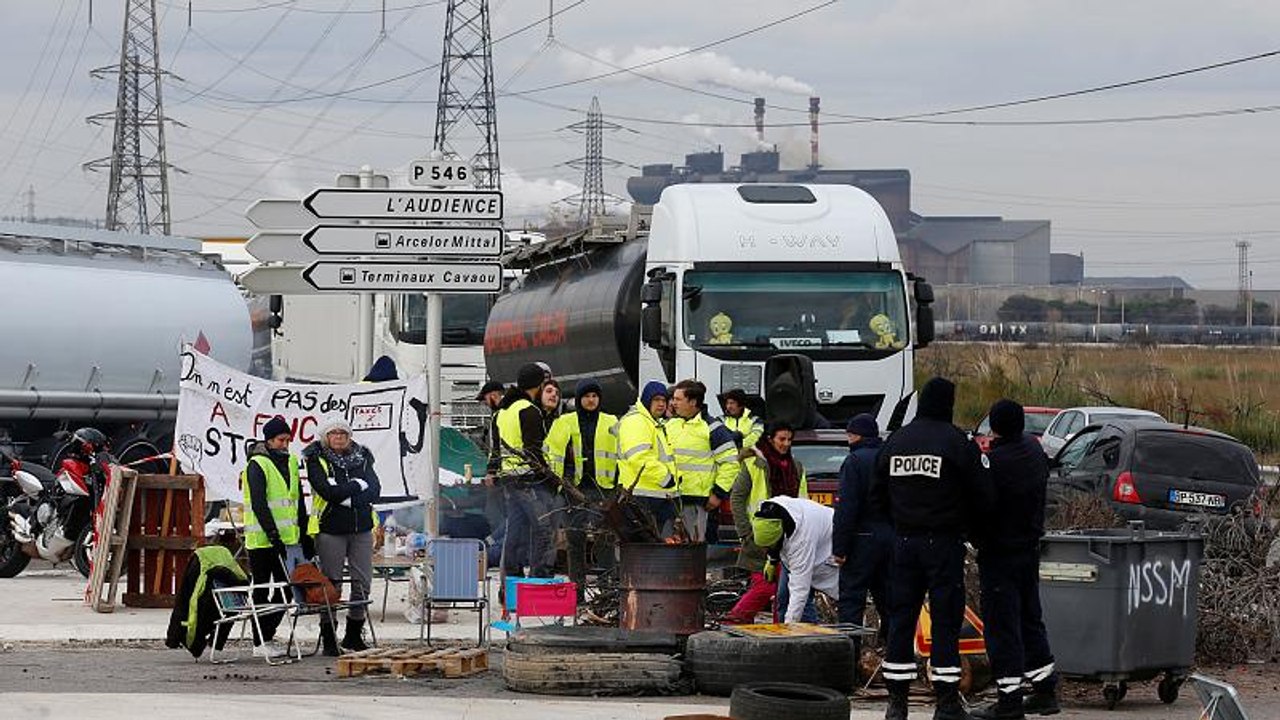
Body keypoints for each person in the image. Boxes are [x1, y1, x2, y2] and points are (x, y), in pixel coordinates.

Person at [871, 377, 993, 720]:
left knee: (900, 620)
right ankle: (947, 703)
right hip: (942, 544)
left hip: (904, 544)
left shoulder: (898, 440)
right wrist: (966, 529)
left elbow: (875, 494)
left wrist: (897, 526)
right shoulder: (957, 443)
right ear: (949, 403)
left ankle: (897, 704)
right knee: (944, 622)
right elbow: (983, 496)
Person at [971, 400, 1058, 720]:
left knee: (1002, 625)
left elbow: (981, 506)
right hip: (1028, 548)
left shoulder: (996, 463)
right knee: (1029, 618)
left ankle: (1008, 699)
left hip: (999, 553)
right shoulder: (1033, 452)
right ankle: (1045, 689)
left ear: (995, 427)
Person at [302, 418, 380, 656]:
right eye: (334, 433)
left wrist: (347, 495)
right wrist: (358, 485)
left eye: (343, 433)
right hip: (331, 529)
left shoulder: (362, 457)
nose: (339, 437)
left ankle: (354, 634)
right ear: (326, 437)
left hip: (361, 528)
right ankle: (328, 636)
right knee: (331, 584)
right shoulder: (316, 459)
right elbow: (327, 492)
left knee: (362, 583)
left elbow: (375, 489)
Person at [724, 422, 808, 624]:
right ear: (770, 440)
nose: (786, 444)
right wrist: (745, 532)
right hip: (760, 536)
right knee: (766, 586)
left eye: (789, 440)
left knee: (784, 589)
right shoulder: (753, 465)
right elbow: (737, 498)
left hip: (788, 537)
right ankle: (734, 619)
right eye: (781, 439)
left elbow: (802, 501)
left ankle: (778, 629)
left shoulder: (796, 466)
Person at [240, 415, 308, 659]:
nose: (285, 444)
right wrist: (273, 535)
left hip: (288, 540)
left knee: (288, 589)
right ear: (269, 440)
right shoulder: (257, 464)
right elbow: (260, 504)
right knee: (260, 589)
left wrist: (304, 532)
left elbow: (297, 500)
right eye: (281, 439)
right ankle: (260, 641)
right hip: (261, 541)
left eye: (288, 440)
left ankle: (267, 632)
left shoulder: (290, 462)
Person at [544, 378, 619, 596]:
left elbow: (622, 453)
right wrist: (562, 482)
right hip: (574, 490)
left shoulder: (611, 421)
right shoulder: (565, 422)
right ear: (579, 399)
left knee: (604, 541)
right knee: (575, 543)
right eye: (586, 396)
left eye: (594, 396)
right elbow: (551, 452)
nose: (591, 400)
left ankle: (608, 593)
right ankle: (577, 594)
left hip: (603, 489)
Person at [833, 413, 892, 651]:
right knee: (889, 599)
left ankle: (850, 656)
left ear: (856, 435)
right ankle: (894, 651)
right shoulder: (888, 458)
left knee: (851, 600)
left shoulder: (854, 462)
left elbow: (847, 508)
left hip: (861, 540)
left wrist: (840, 548)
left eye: (849, 434)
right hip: (890, 537)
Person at [495, 363, 558, 578]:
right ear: (538, 385)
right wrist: (551, 480)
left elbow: (497, 449)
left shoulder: (503, 411)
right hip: (528, 481)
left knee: (515, 532)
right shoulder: (529, 411)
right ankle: (539, 581)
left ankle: (510, 582)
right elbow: (534, 453)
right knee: (545, 531)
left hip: (509, 478)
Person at [667, 379, 739, 542]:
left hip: (699, 502)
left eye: (678, 399)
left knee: (694, 552)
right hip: (671, 499)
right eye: (673, 399)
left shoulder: (713, 429)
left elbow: (731, 463)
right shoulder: (671, 425)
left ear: (692, 402)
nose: (673, 403)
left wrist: (718, 494)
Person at [752, 496, 839, 624]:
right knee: (784, 599)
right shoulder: (769, 512)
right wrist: (772, 559)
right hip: (797, 553)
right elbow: (774, 542)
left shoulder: (802, 539)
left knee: (798, 604)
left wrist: (789, 628)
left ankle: (809, 639)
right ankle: (788, 636)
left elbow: (800, 590)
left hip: (826, 551)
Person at [615, 381, 678, 537]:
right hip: (642, 497)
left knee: (651, 550)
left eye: (664, 400)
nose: (661, 404)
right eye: (656, 400)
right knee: (645, 549)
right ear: (646, 400)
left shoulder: (651, 422)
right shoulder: (637, 421)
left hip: (652, 495)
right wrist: (665, 478)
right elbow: (639, 457)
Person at [719, 388, 762, 456]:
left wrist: (739, 443)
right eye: (727, 403)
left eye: (732, 403)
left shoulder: (755, 420)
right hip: (729, 462)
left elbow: (755, 437)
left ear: (741, 405)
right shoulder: (721, 420)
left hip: (749, 464)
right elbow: (719, 439)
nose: (729, 406)